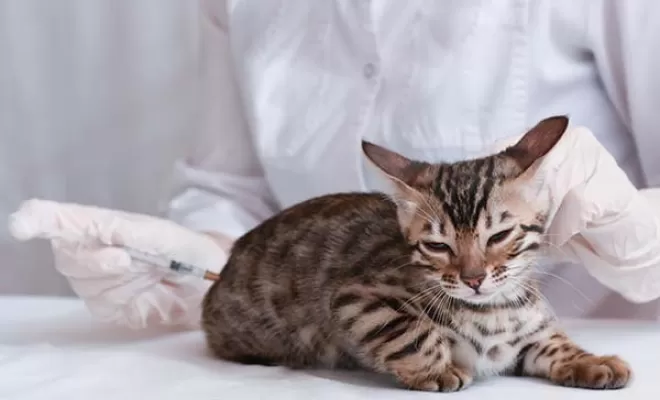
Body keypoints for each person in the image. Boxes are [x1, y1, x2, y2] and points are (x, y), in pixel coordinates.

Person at [8, 0, 660, 329]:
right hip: (328, 362)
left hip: (573, 364)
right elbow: (232, 192)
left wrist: (633, 232)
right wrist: (189, 261)